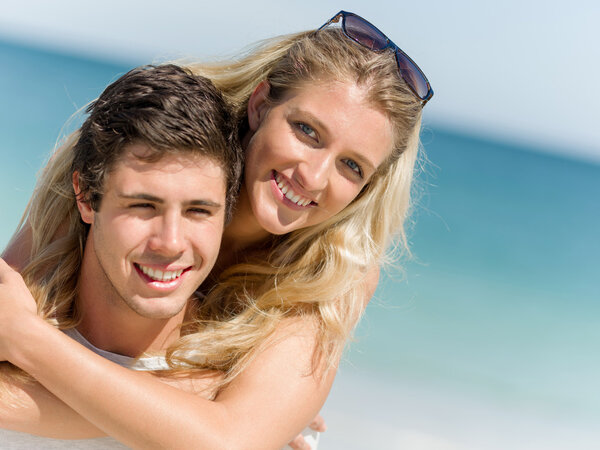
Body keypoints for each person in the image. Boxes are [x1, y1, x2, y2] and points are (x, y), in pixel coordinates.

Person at [0, 10, 432, 449]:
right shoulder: (150, 141)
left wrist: (29, 340)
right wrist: (199, 397)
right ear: (261, 104)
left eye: (351, 166)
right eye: (307, 131)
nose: (315, 176)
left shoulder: (337, 267)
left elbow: (231, 440)